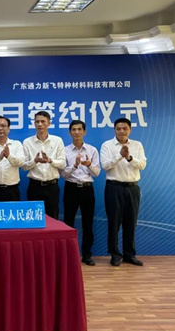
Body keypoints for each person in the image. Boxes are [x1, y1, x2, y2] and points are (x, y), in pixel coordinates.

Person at [101, 118, 147, 266]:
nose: (122, 131)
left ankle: (129, 254)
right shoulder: (107, 145)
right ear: (114, 130)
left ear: (130, 129)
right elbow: (105, 165)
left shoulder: (137, 145)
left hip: (132, 188)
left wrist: (129, 158)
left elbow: (142, 165)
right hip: (114, 187)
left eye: (125, 128)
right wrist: (119, 155)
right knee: (114, 223)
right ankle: (114, 254)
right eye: (118, 129)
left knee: (131, 223)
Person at [60, 120, 100, 266]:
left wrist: (89, 165)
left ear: (84, 132)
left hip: (87, 189)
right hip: (71, 188)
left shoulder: (92, 150)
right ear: (70, 132)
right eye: (74, 130)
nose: (76, 132)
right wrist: (75, 165)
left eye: (79, 129)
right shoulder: (64, 151)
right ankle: (69, 255)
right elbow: (63, 174)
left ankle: (87, 255)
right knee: (68, 223)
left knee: (88, 223)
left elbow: (96, 173)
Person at [22, 111, 66, 219]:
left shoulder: (57, 141)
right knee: (34, 219)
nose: (40, 124)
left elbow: (62, 164)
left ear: (49, 123)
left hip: (52, 186)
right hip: (34, 187)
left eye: (43, 121)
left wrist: (50, 160)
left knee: (53, 218)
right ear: (34, 124)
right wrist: (35, 161)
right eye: (37, 122)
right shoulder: (27, 142)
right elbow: (23, 166)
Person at [0, 115, 26, 202]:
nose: (0, 128)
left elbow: (21, 162)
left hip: (12, 189)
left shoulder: (17, 144)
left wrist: (9, 156)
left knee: (12, 211)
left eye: (3, 126)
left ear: (9, 129)